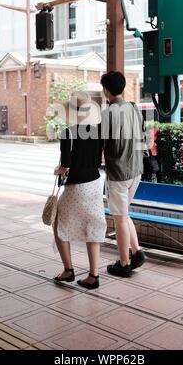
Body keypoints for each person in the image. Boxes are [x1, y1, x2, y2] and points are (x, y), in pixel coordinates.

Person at [53, 91, 106, 290]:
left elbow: (65, 165)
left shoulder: (68, 133)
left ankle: (68, 270)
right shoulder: (98, 131)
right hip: (94, 184)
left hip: (77, 187)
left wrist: (57, 170)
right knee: (92, 227)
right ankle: (94, 275)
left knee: (59, 224)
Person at [101, 71, 146, 278]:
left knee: (119, 218)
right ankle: (137, 253)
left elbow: (102, 143)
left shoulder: (108, 113)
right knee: (124, 213)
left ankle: (124, 263)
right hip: (136, 169)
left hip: (118, 172)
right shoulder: (134, 108)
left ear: (106, 90)